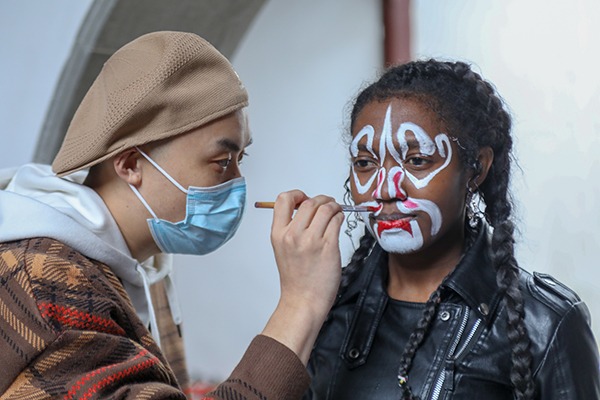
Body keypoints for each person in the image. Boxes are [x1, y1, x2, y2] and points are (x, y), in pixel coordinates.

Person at [0, 31, 344, 399]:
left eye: (241, 160)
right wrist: (301, 302)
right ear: (132, 163)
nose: (238, 185)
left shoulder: (143, 264)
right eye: (221, 162)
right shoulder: (43, 280)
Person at [305, 59, 600, 399]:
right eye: (365, 164)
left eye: (417, 160)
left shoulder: (546, 323)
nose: (384, 190)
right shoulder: (323, 305)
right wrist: (300, 303)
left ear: (476, 169)